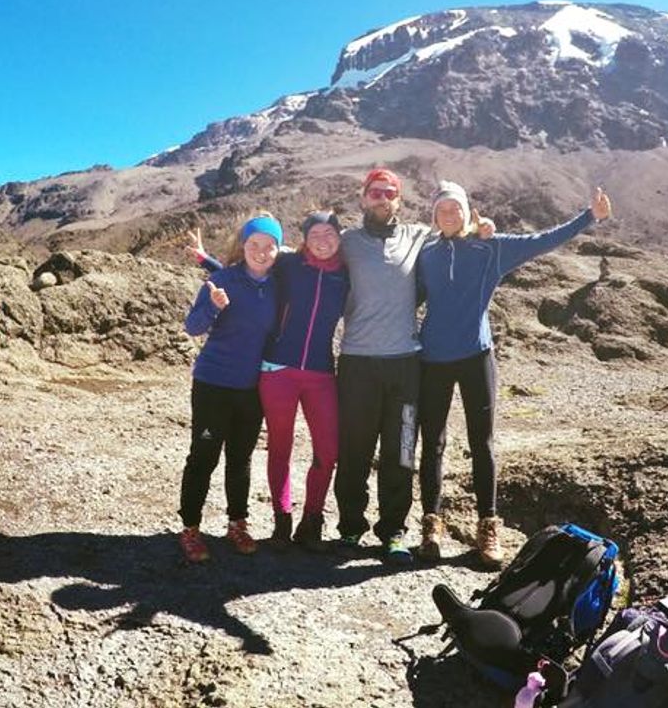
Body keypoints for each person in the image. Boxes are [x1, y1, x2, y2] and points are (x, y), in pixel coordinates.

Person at [415, 182, 612, 568]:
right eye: (443, 210)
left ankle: (487, 525)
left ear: (467, 211)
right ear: (434, 216)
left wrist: (590, 217)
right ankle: (430, 525)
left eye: (456, 208)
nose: (450, 215)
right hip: (433, 359)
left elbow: (542, 240)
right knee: (432, 442)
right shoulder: (426, 254)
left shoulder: (492, 248)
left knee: (482, 442)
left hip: (476, 356)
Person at [333, 168, 493, 565]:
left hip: (405, 364)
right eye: (375, 192)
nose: (382, 198)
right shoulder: (346, 242)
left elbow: (454, 234)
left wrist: (482, 227)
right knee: (354, 448)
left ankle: (393, 532)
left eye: (389, 193)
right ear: (363, 198)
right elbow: (304, 259)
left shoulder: (418, 237)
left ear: (399, 201)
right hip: (357, 361)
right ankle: (350, 526)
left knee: (401, 449)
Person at [189, 211, 350, 552]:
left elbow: (253, 271)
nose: (323, 239)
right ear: (304, 239)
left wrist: (206, 260)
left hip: (316, 371)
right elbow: (241, 274)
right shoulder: (289, 266)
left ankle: (310, 521)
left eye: (329, 233)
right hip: (271, 370)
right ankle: (279, 520)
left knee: (324, 450)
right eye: (315, 233)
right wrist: (208, 270)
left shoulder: (346, 273)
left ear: (340, 237)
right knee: (268, 448)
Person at [176, 213, 282, 564]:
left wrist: (205, 257)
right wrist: (215, 309)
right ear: (243, 245)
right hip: (213, 385)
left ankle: (237, 523)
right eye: (254, 245)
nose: (262, 252)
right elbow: (193, 327)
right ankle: (190, 528)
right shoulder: (221, 281)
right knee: (203, 457)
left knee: (240, 458)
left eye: (270, 246)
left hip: (251, 389)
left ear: (279, 250)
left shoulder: (277, 285)